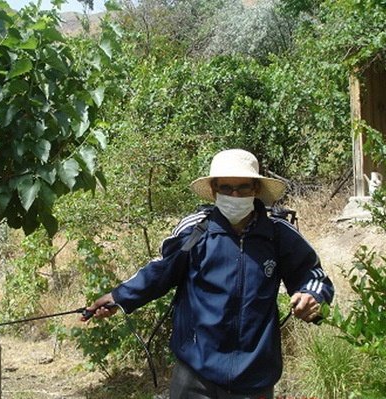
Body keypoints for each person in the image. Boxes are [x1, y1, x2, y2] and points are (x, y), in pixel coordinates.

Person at [85, 149, 334, 399]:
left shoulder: (278, 234)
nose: (234, 195)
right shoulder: (195, 230)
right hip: (195, 372)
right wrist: (119, 297)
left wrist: (312, 297)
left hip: (255, 375)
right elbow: (161, 271)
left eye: (242, 188)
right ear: (214, 191)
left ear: (256, 189)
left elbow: (312, 275)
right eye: (226, 188)